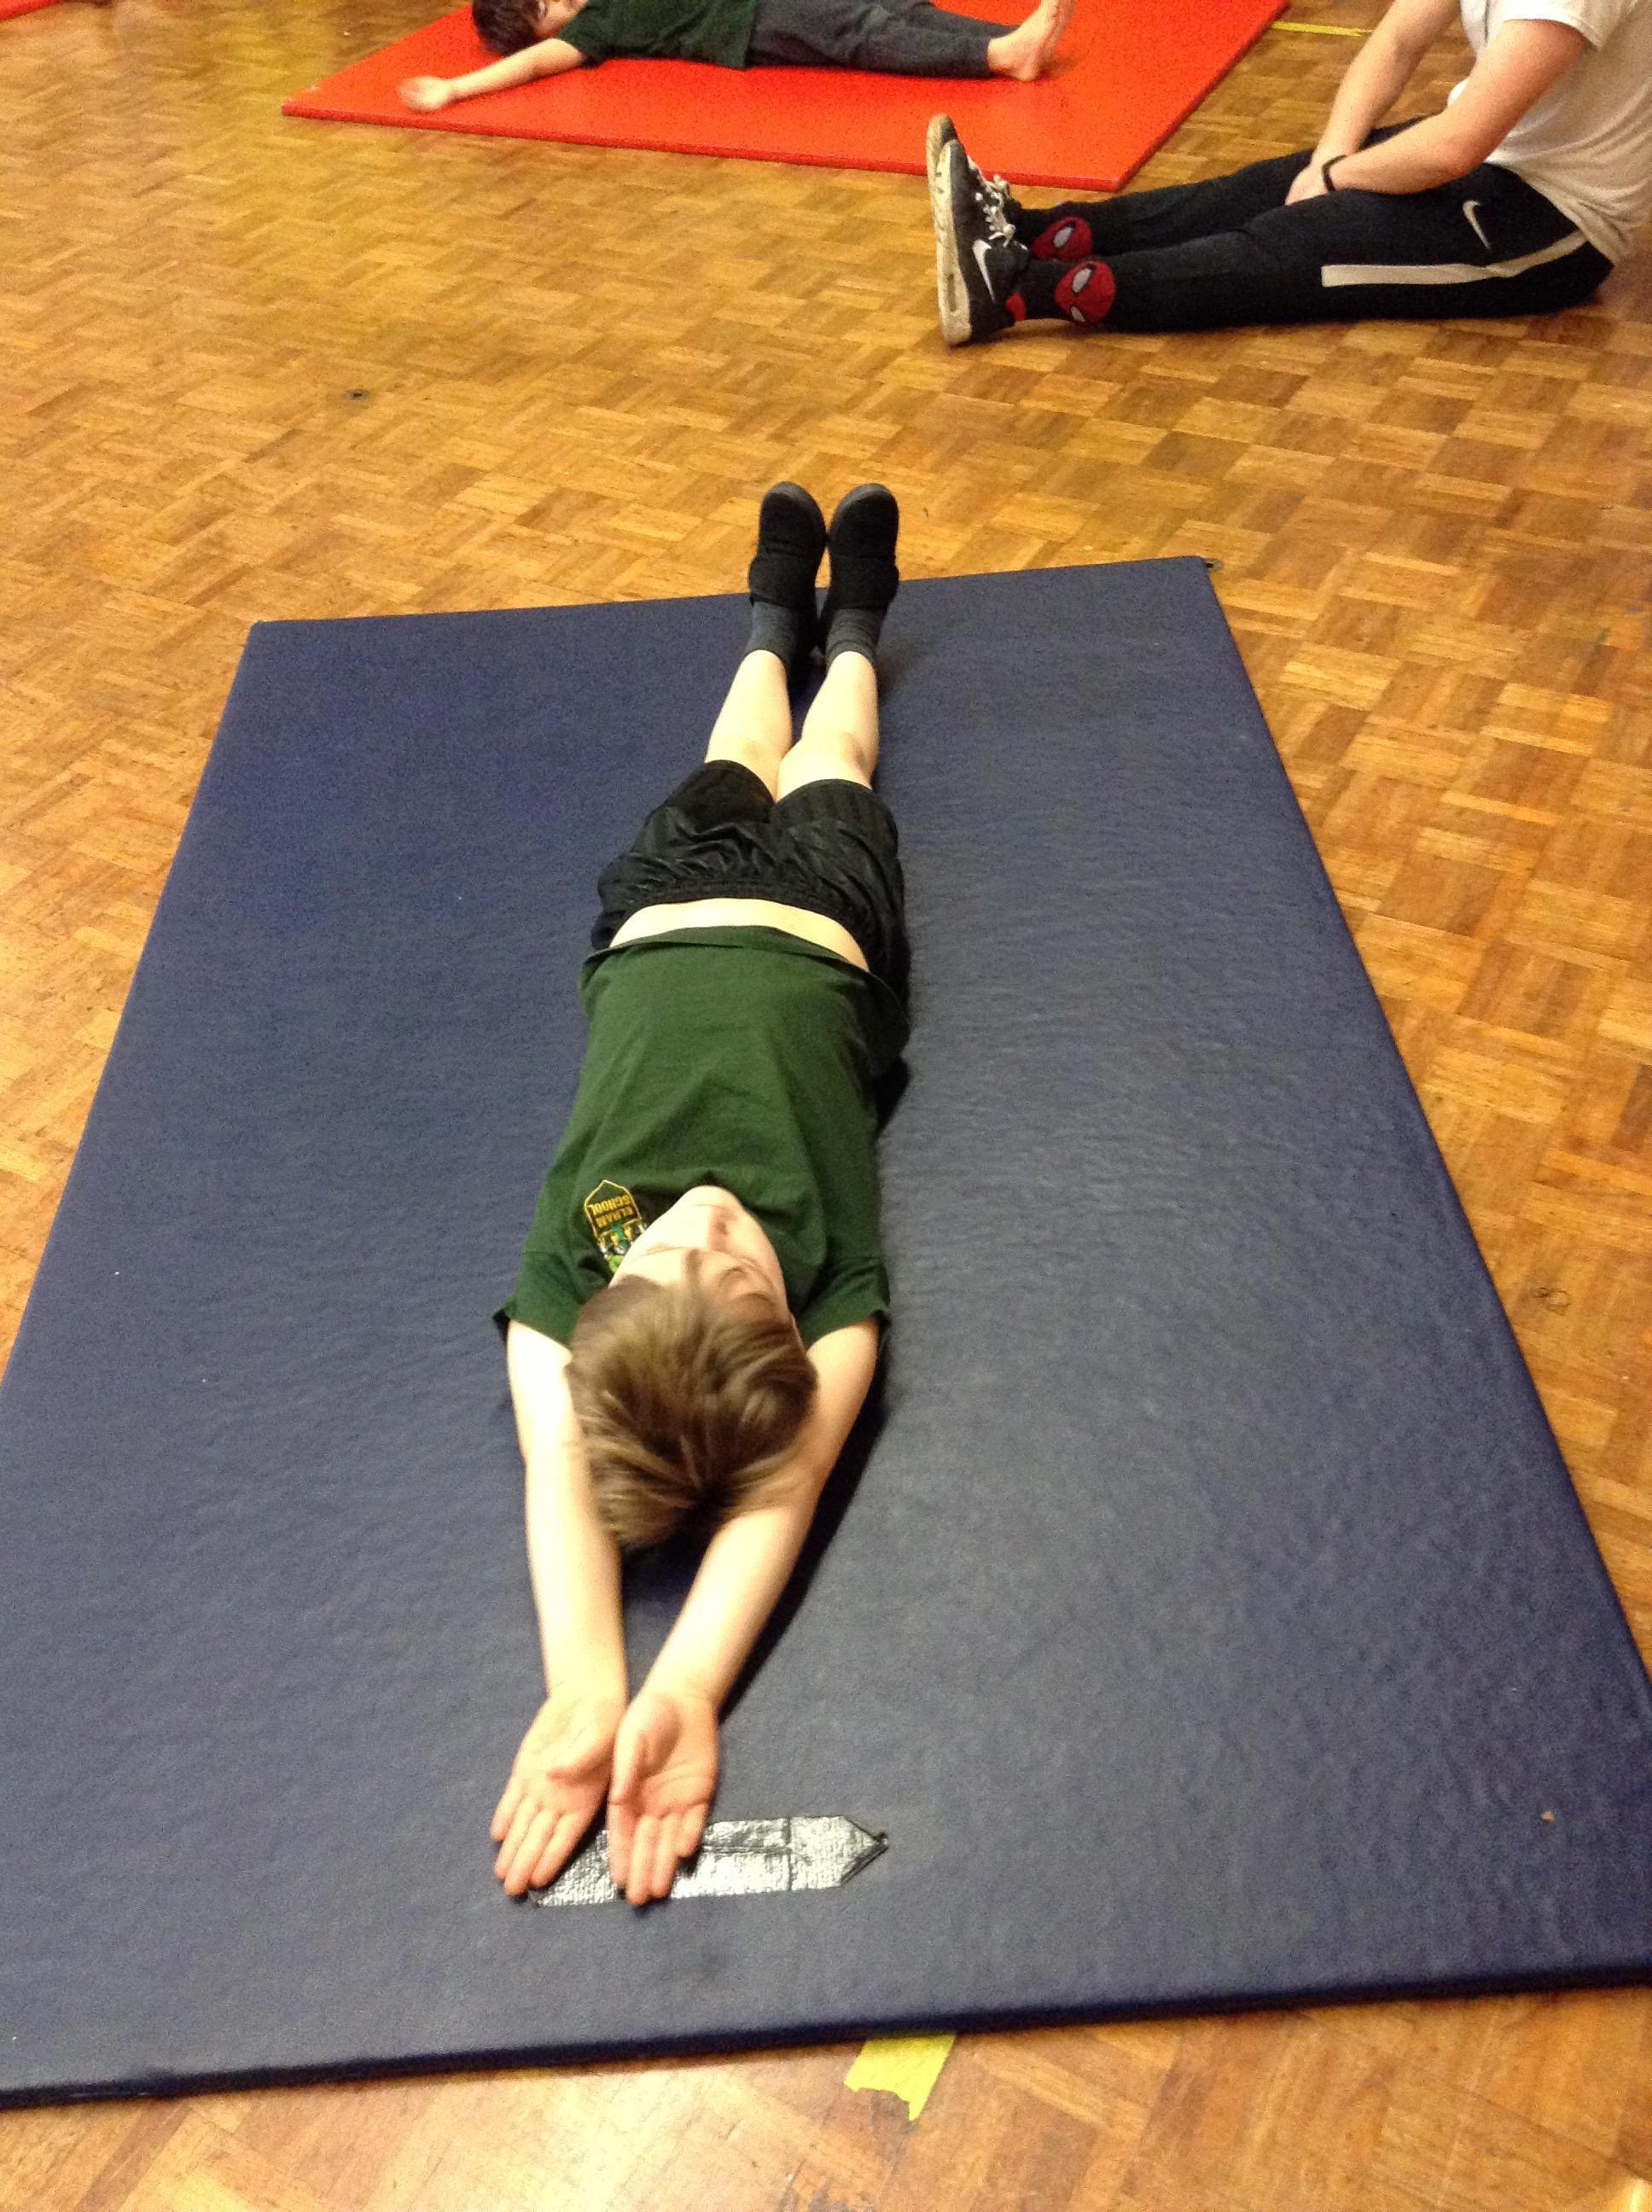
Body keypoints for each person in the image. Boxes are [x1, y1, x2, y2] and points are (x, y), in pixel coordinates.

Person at [489, 482, 907, 1907]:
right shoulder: (833, 1294)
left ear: (605, 1301)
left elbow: (561, 1461)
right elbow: (787, 1484)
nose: (716, 1226)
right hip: (830, 919)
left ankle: (769, 618)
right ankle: (859, 625)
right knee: (834, 750)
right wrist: (680, 1687)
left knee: (736, 747)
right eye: (746, 1271)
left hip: (656, 910)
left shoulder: (571, 1276)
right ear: (792, 1332)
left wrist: (584, 1681)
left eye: (677, 1254)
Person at [928, 0, 1649, 346]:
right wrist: (1329, 158)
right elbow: (1395, 44)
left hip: (1553, 221)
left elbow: (1457, 145)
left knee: (1284, 249)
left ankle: (1015, 292)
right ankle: (1027, 232)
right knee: (1253, 190)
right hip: (1481, 160)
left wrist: (1333, 184)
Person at [398, 0, 1071, 108]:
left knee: (894, 7)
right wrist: (455, 89)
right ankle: (999, 55)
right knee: (862, 30)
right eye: (545, 9)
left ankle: (1009, 38)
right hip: (750, 22)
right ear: (546, 32)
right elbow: (529, 65)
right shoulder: (592, 32)